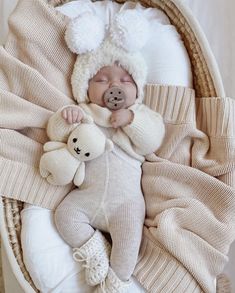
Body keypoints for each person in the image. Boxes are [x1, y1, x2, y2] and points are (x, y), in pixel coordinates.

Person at [45, 35, 165, 292]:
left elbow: (153, 140)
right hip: (86, 197)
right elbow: (56, 134)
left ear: (137, 89)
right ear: (85, 87)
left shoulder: (141, 115)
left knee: (128, 245)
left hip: (126, 204)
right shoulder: (84, 112)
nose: (114, 85)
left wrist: (131, 119)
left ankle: (114, 283)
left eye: (125, 80)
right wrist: (66, 119)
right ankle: (94, 249)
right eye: (101, 79)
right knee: (64, 216)